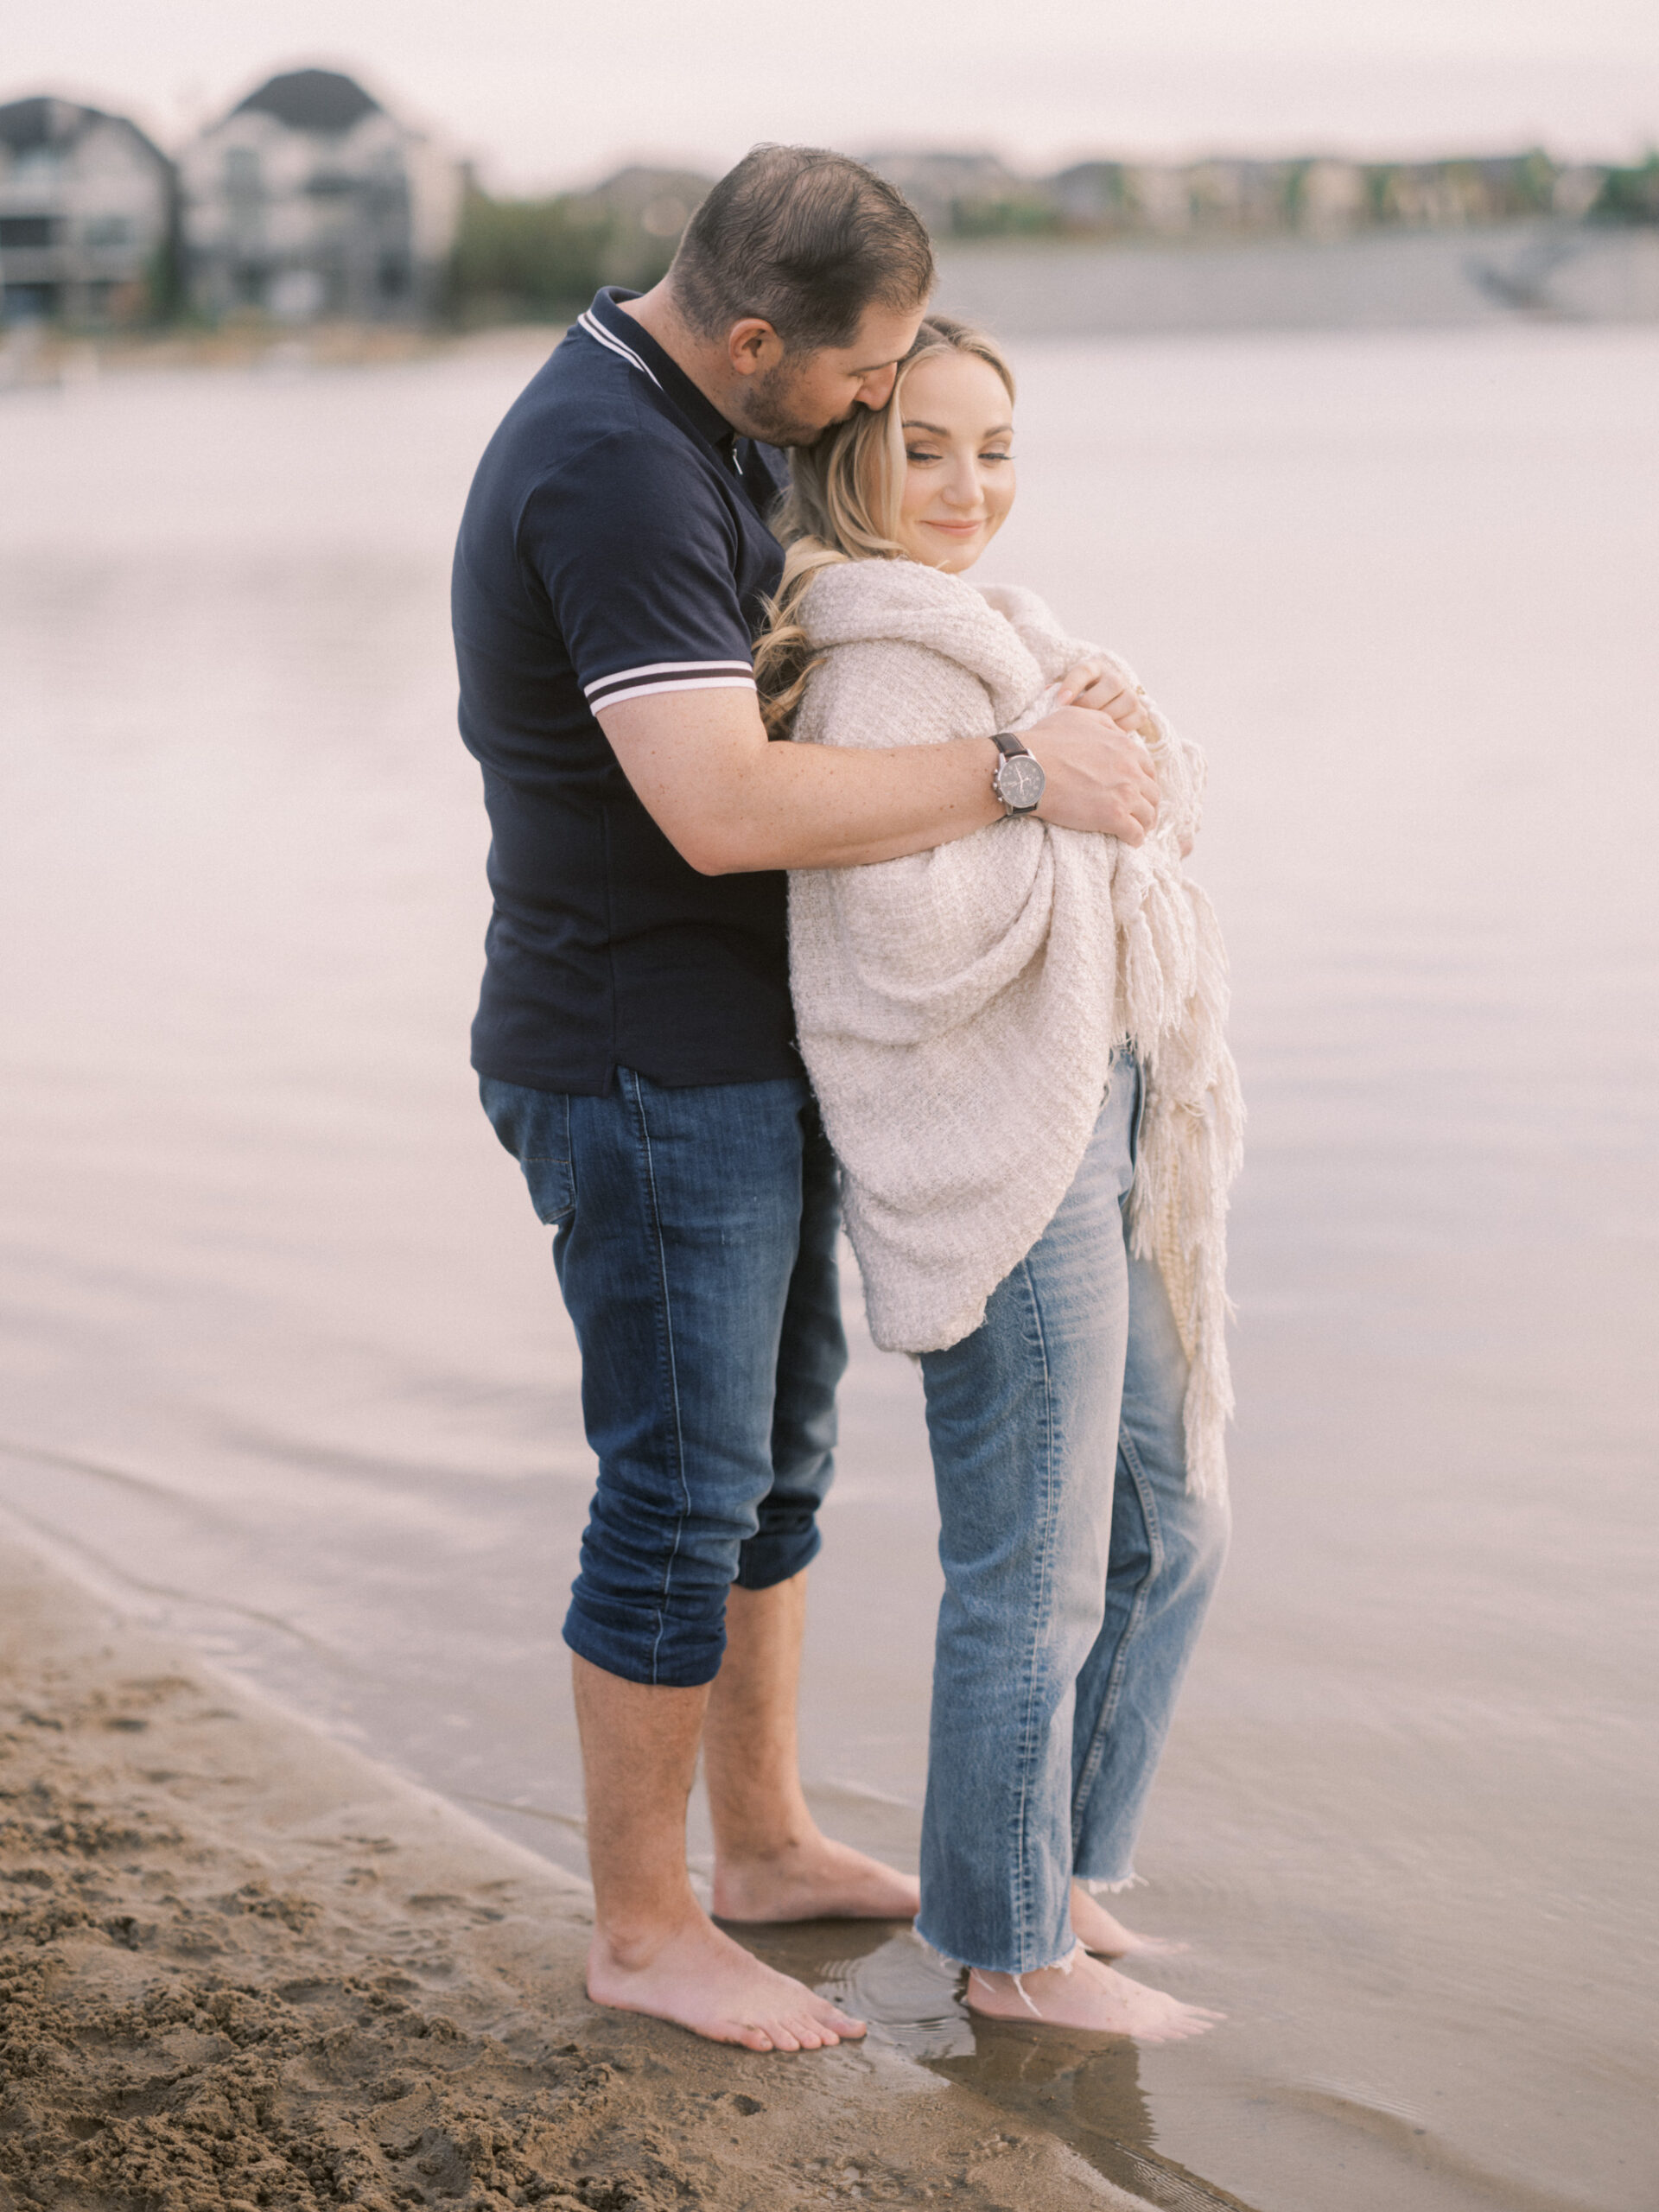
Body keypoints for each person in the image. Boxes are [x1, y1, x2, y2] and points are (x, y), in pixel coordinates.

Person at [452, 148, 1162, 2055]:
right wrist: (1021, 770)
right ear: (756, 335)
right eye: (865, 379)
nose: (880, 409)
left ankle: (757, 1845)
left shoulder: (698, 409)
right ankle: (643, 1920)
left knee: (771, 1471)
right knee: (676, 1493)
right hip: (632, 1054)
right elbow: (720, 803)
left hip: (735, 1049)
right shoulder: (611, 462)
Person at [758, 316, 1243, 2039]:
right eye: (931, 446)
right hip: (1003, 1150)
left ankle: (1064, 1869)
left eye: (999, 447)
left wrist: (1084, 756)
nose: (970, 485)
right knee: (1029, 1564)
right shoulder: (888, 658)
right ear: (852, 455)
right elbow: (897, 941)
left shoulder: (1002, 645)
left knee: (1170, 1519)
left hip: (1101, 1112)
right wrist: (1056, 793)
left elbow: (1123, 819)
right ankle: (1004, 1945)